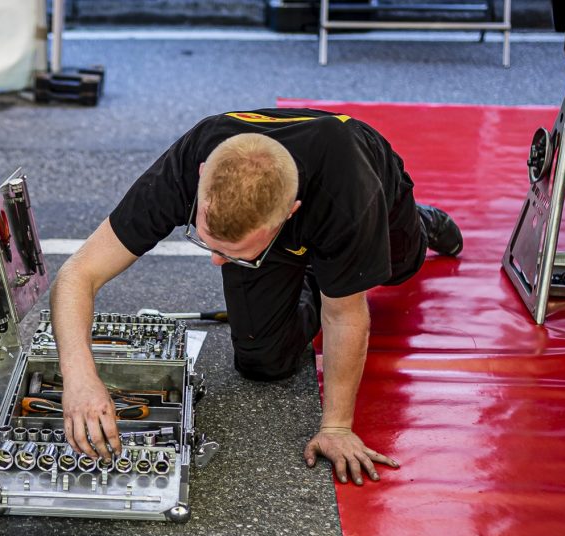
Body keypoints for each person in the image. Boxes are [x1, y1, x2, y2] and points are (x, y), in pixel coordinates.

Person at [49, 107, 462, 486]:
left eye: (232, 254)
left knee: (398, 267)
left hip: (369, 192)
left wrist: (336, 426)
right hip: (284, 226)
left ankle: (419, 223)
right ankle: (322, 271)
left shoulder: (351, 194)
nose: (215, 260)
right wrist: (80, 377)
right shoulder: (186, 165)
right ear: (202, 176)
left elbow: (347, 316)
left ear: (290, 212)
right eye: (207, 240)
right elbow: (77, 274)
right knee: (264, 361)